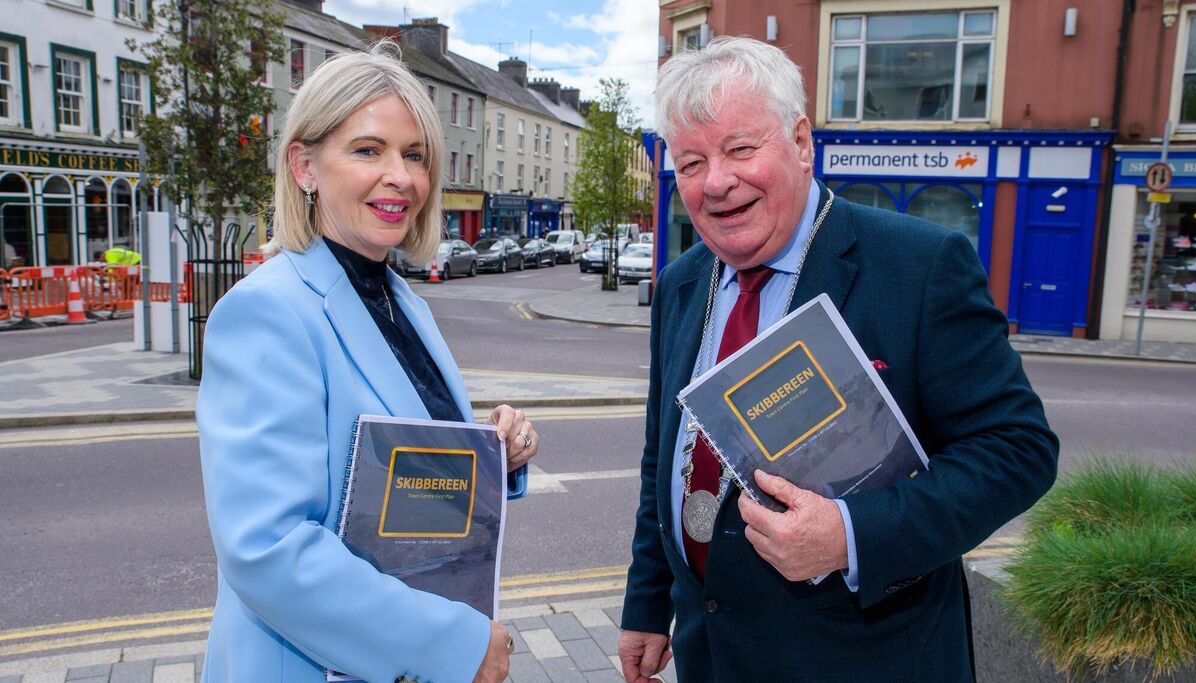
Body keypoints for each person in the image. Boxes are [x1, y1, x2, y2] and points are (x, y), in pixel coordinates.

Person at [618, 37, 1058, 683]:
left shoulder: (920, 265)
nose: (716, 182)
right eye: (691, 162)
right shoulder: (680, 285)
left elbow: (1018, 450)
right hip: (711, 654)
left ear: (800, 142)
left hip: (867, 660)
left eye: (740, 149)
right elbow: (665, 457)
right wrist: (648, 604)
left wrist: (852, 534)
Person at [197, 44, 538, 683]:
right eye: (367, 150)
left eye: (414, 155)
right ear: (304, 166)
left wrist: (497, 456)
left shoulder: (400, 300)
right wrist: (454, 646)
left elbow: (402, 474)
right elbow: (269, 550)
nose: (400, 176)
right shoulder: (267, 311)